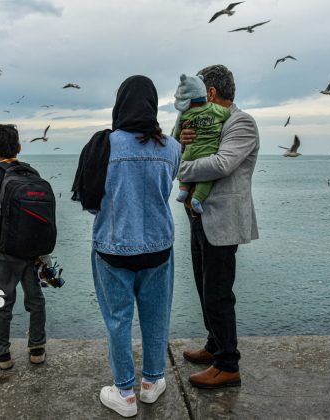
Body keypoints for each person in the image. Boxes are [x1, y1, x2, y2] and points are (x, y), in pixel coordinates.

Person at [72, 75, 180, 417]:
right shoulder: (172, 148)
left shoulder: (103, 145)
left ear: (120, 103)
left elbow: (90, 203)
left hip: (112, 248)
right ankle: (151, 384)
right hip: (158, 248)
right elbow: (167, 186)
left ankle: (124, 393)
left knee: (118, 320)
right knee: (156, 317)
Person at [177, 65, 259, 388]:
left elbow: (223, 163)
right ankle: (214, 345)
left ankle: (228, 364)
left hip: (222, 222)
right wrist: (184, 141)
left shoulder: (242, 123)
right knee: (203, 286)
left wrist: (181, 166)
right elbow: (199, 150)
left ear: (209, 93)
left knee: (218, 293)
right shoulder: (205, 120)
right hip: (200, 217)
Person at [0, 124, 47, 369]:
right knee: (35, 298)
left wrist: (8, 230)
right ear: (19, 147)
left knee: (3, 301)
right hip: (32, 249)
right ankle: (37, 348)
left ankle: (1, 352)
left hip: (4, 251)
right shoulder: (31, 173)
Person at [172, 73, 231, 214]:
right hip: (206, 153)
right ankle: (197, 198)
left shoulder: (185, 115)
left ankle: (182, 191)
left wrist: (180, 169)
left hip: (189, 155)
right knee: (206, 180)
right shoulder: (217, 111)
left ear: (211, 92)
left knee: (194, 165)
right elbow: (227, 114)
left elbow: (220, 166)